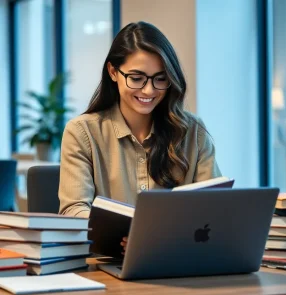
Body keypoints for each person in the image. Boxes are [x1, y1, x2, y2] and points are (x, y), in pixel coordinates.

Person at [58, 21, 221, 253]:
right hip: (107, 264)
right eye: (137, 78)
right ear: (113, 72)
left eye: (160, 78)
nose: (149, 90)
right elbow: (74, 210)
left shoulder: (192, 131)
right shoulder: (82, 132)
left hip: (181, 261)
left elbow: (215, 204)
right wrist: (126, 232)